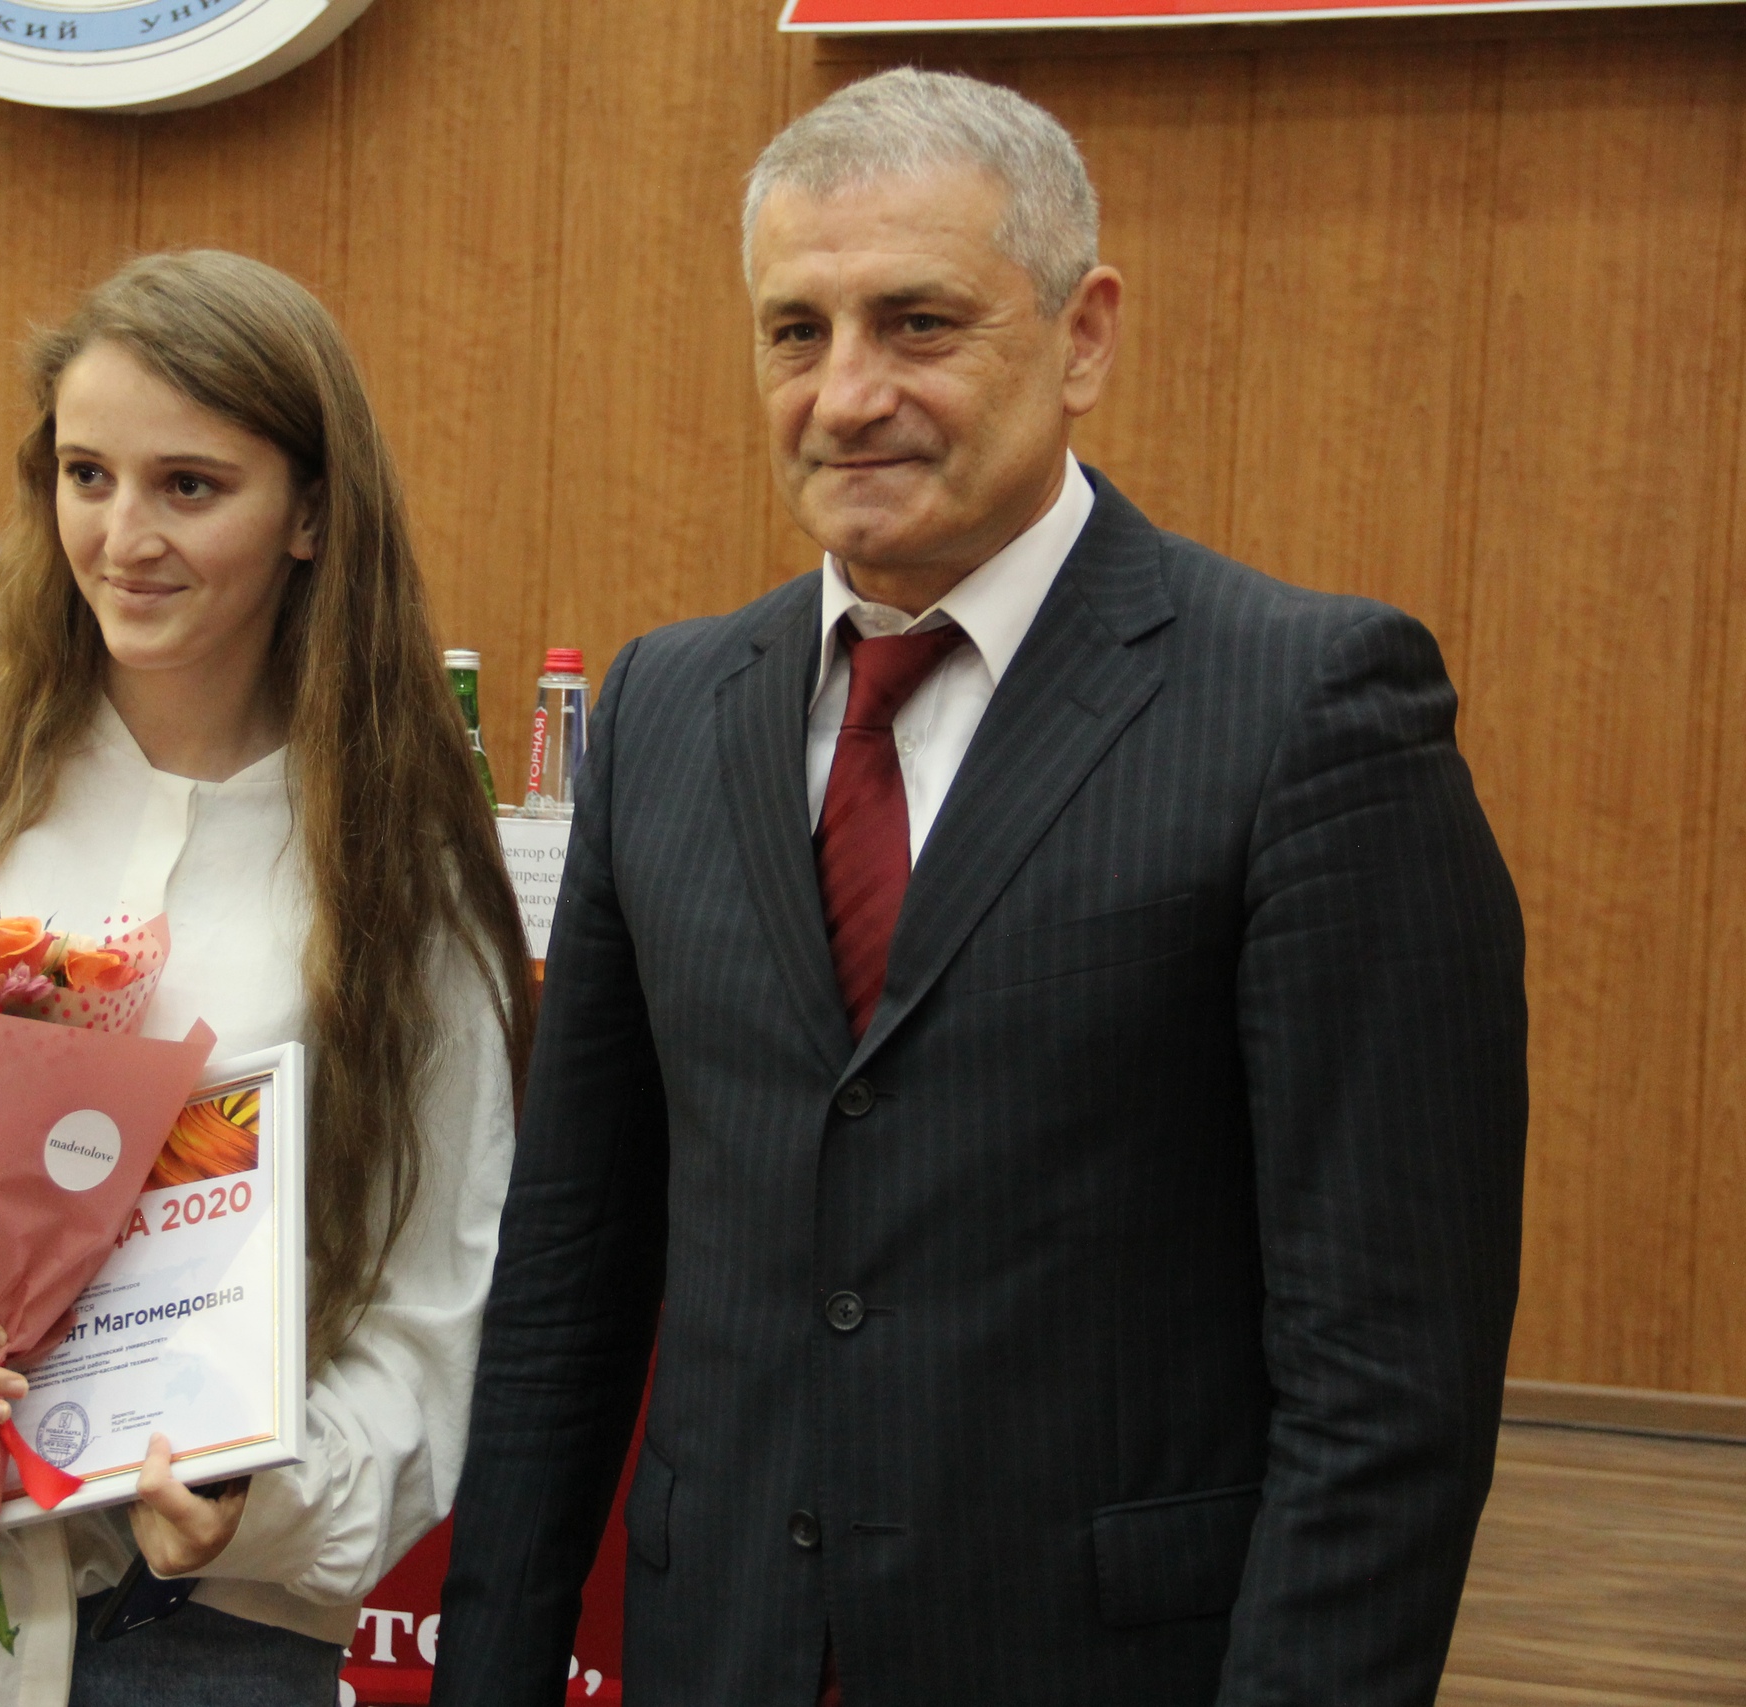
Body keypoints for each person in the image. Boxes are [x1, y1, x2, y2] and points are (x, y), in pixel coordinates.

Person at [433, 68, 1526, 1707]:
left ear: (1084, 337)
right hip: (719, 1649)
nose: (845, 393)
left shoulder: (1307, 710)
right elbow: (569, 1275)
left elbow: (1386, 1375)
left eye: (919, 323)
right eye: (795, 331)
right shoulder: (666, 709)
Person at [0, 250, 530, 1705]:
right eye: (87, 476)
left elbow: (431, 1311)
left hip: (200, 1633)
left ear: (314, 513)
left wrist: (265, 1501)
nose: (125, 537)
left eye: (191, 486)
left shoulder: (401, 869)